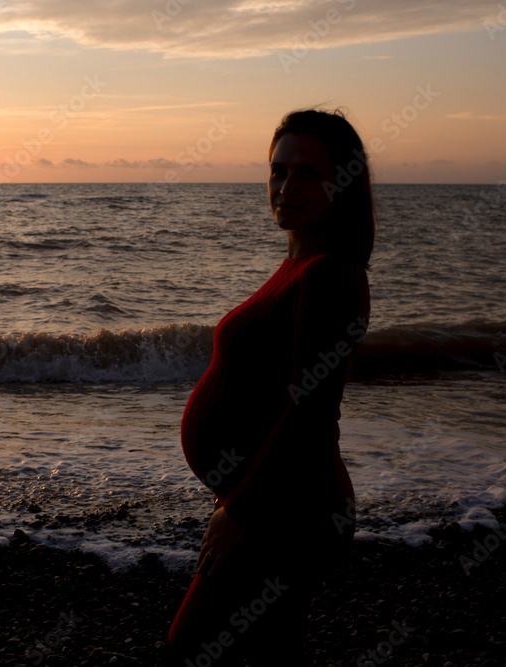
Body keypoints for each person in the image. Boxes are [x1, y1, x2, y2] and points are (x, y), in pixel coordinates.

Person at [167, 108, 376, 665]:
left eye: (309, 173)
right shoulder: (300, 263)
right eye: (278, 171)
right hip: (278, 503)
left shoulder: (330, 274)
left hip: (290, 512)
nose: (286, 188)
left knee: (196, 646)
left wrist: (240, 511)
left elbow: (311, 417)